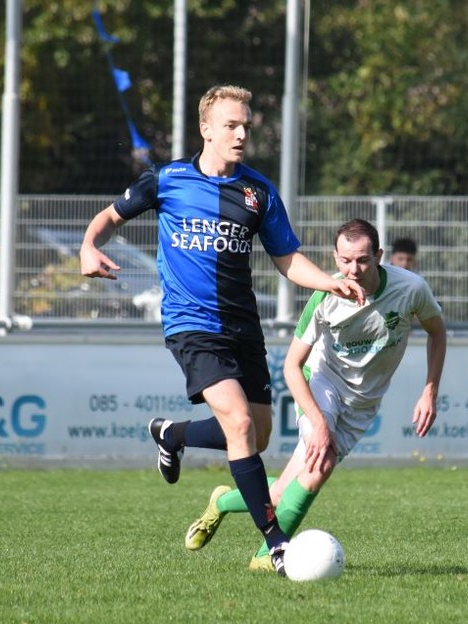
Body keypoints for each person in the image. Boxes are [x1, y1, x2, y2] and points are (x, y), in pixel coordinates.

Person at [79, 84, 364, 577]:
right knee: (238, 424)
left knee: (258, 434)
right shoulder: (167, 180)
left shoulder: (259, 192)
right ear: (205, 129)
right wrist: (89, 246)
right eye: (231, 125)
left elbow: (287, 259)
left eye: (246, 126)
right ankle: (276, 544)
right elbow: (109, 217)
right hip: (192, 325)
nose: (241, 135)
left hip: (243, 327)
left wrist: (329, 281)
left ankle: (171, 434)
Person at [184, 218, 446, 571]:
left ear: (379, 256)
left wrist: (430, 391)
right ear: (335, 258)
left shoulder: (410, 288)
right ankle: (268, 556)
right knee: (321, 461)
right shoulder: (325, 296)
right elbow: (292, 366)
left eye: (363, 260)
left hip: (362, 404)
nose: (353, 270)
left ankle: (221, 502)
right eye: (346, 260)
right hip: (322, 384)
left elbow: (437, 331)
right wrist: (319, 424)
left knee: (280, 494)